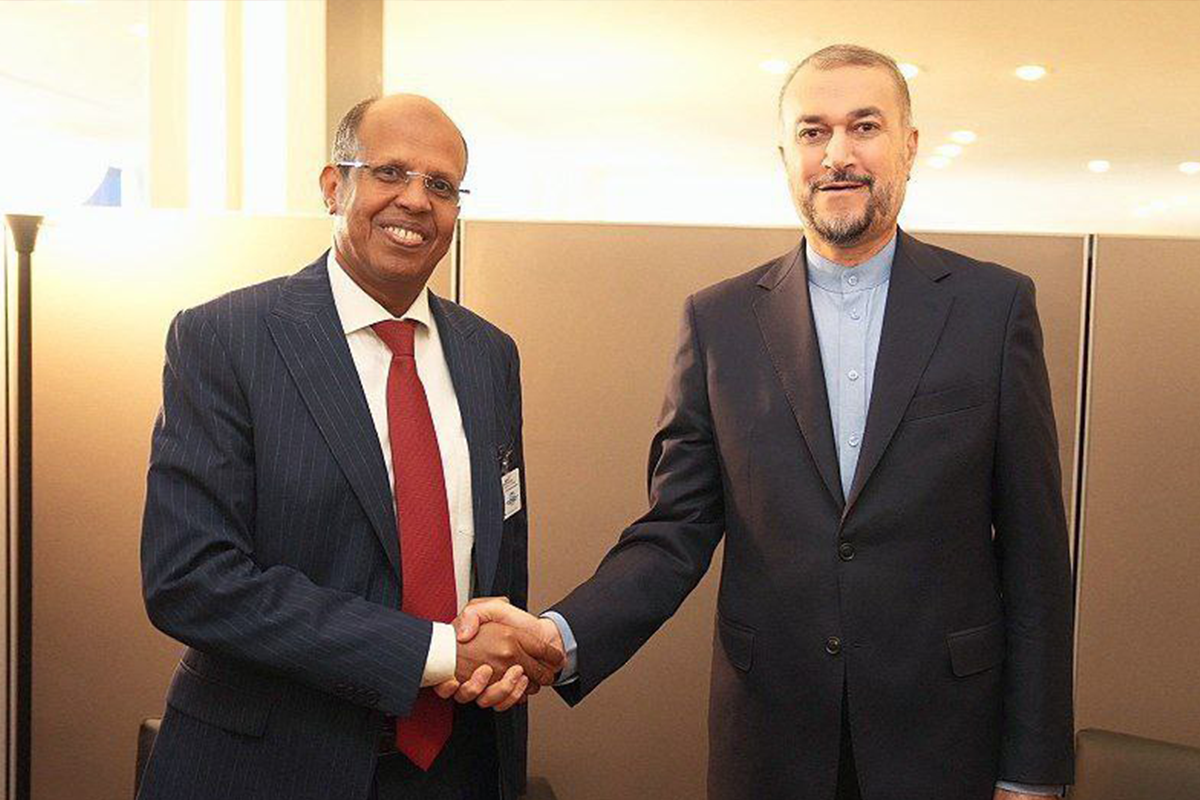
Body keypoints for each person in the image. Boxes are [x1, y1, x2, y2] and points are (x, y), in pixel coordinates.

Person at [455, 45, 1074, 800]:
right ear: (786, 155)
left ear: (910, 146)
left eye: (865, 127)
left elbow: (1036, 559)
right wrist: (560, 634)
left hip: (945, 742)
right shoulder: (718, 322)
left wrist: (1034, 773)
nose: (838, 154)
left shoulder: (993, 308)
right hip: (773, 744)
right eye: (813, 132)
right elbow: (675, 529)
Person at [138, 94, 560, 800]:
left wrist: (507, 655)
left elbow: (496, 558)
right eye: (390, 172)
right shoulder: (227, 339)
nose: (416, 201)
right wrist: (435, 652)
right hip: (272, 766)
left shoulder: (490, 354)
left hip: (459, 766)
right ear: (335, 186)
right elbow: (191, 580)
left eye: (442, 185)